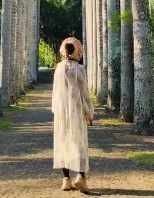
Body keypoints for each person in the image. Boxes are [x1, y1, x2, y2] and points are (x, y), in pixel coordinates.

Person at [52, 36, 94, 192]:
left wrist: (56, 110)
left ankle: (66, 179)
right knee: (80, 144)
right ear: (78, 51)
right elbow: (85, 93)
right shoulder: (79, 69)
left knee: (63, 143)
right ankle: (81, 178)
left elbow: (55, 92)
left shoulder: (59, 68)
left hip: (62, 112)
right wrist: (89, 112)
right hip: (76, 111)